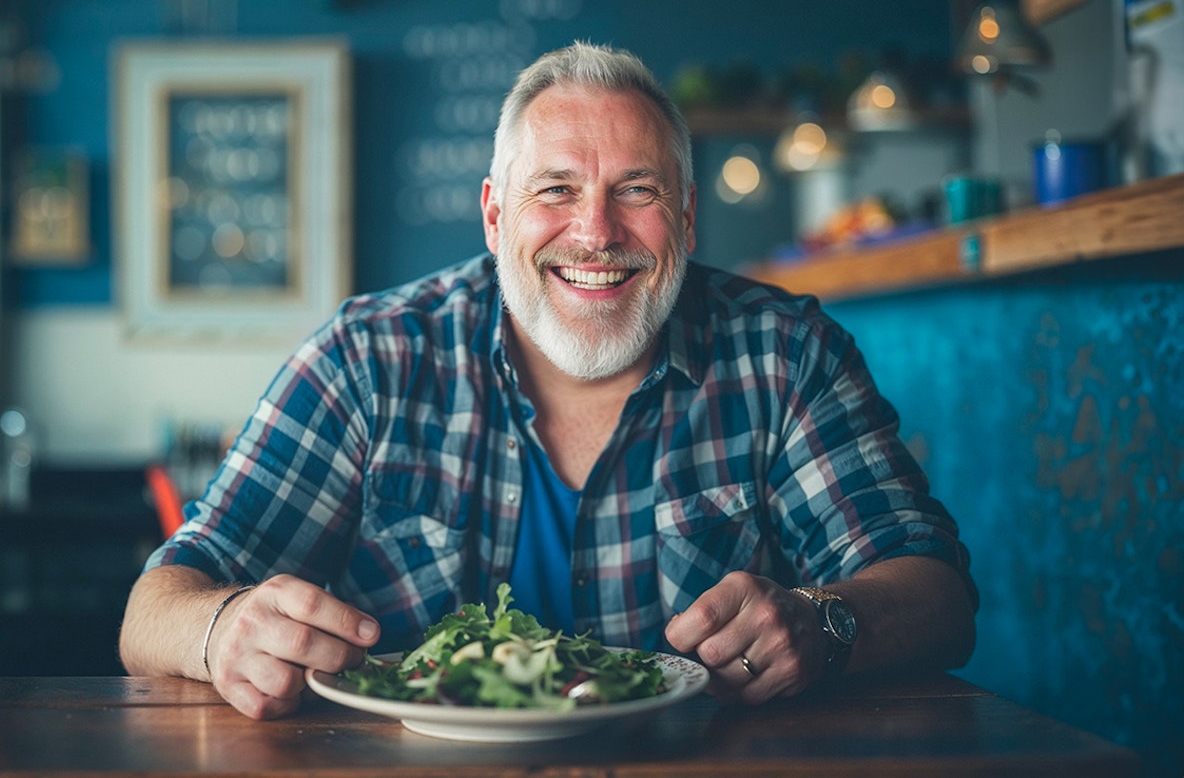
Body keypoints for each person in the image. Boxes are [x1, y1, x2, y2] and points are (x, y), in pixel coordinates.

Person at [120, 41, 977, 720]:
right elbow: (157, 604)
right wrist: (221, 629)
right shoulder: (368, 358)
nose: (595, 232)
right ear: (495, 216)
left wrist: (825, 623)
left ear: (685, 217)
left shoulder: (784, 354)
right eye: (556, 190)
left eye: (635, 190)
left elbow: (937, 594)